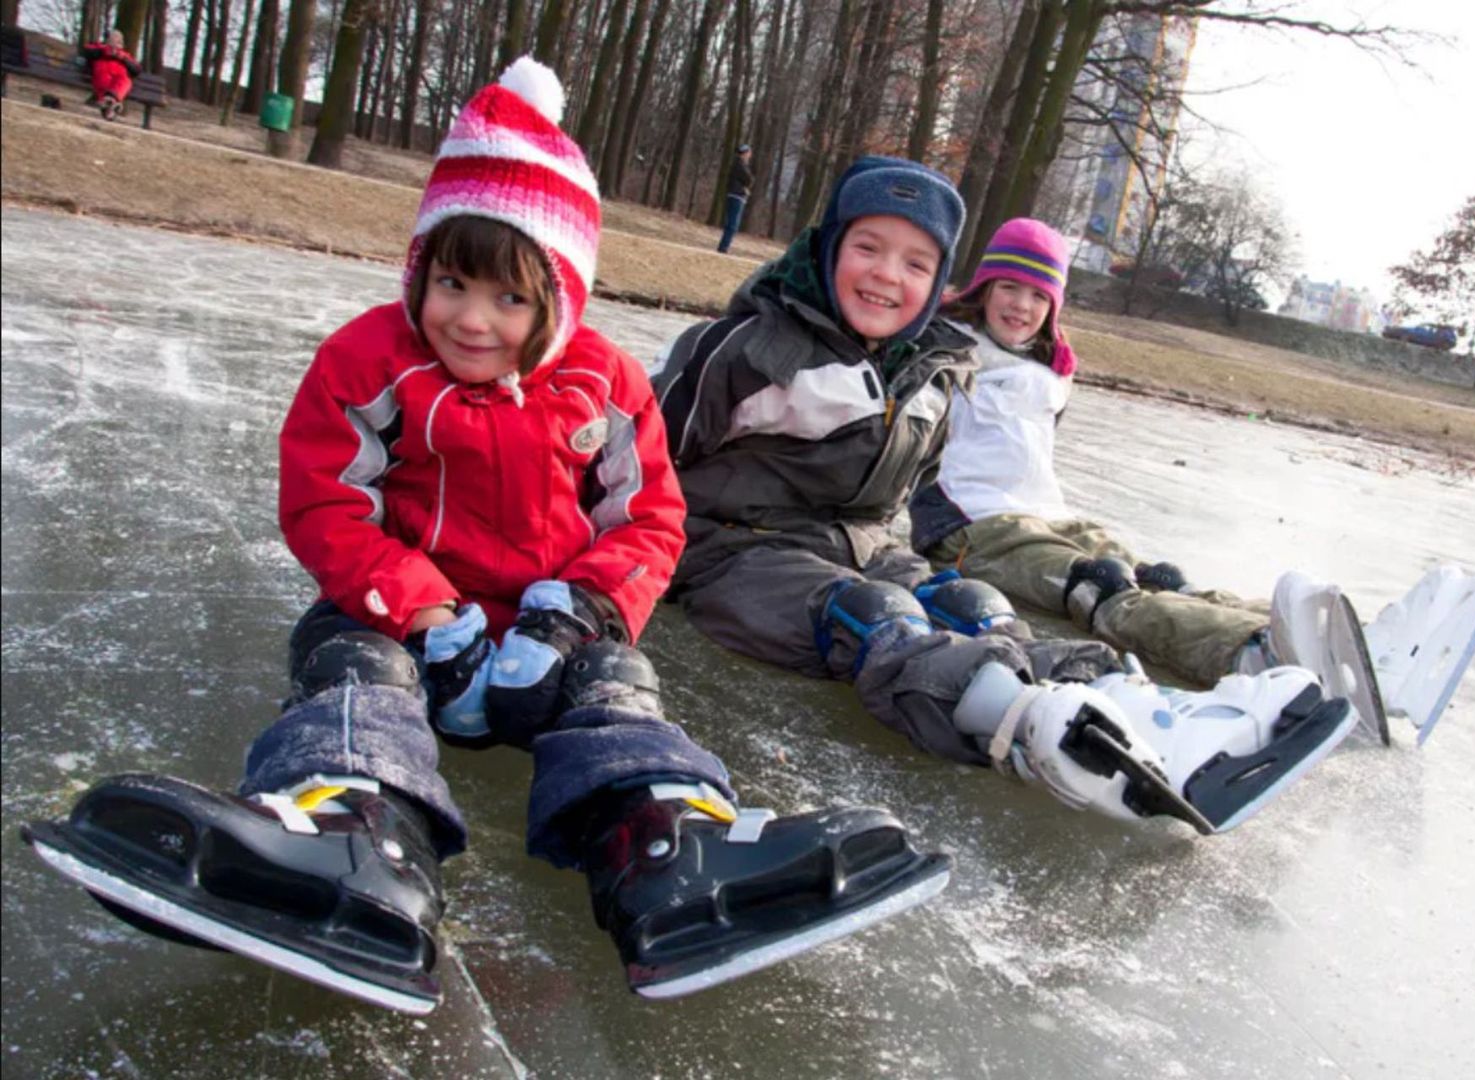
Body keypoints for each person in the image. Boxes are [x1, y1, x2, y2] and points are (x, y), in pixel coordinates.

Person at [23, 61, 950, 1015]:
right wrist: (421, 612)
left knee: (618, 690)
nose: (471, 319)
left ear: (561, 297)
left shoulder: (605, 383)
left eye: (510, 299)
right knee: (351, 665)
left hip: (551, 636)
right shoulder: (367, 360)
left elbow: (649, 519)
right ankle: (357, 828)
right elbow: (325, 502)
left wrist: (576, 617)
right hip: (405, 619)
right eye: (452, 282)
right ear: (420, 267)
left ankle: (659, 843)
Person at [652, 156, 1359, 840]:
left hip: (859, 543)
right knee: (876, 617)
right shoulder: (749, 351)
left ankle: (1133, 706)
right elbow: (644, 453)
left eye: (915, 263)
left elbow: (901, 493)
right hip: (733, 551)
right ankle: (1026, 726)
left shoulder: (930, 371)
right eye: (868, 247)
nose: (886, 275)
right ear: (828, 247)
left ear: (935, 284)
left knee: (973, 606)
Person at [908, 217, 1475, 748]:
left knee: (1163, 581)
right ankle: (1253, 652)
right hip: (972, 527)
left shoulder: (1048, 371)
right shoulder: (943, 352)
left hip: (1050, 514)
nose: (1021, 305)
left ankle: (1367, 650)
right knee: (1104, 592)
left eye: (1039, 294)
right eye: (1009, 287)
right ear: (984, 288)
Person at [81, 29, 141, 121]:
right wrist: (105, 51)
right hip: (103, 73)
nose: (116, 42)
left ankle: (110, 102)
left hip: (120, 77)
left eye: (119, 40)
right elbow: (86, 51)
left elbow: (137, 69)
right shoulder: (99, 47)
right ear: (108, 40)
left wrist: (123, 59)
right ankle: (111, 105)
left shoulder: (125, 55)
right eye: (114, 39)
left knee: (125, 81)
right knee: (104, 81)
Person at [716, 144, 753, 254]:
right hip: (737, 195)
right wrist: (745, 188)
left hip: (735, 194)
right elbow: (749, 179)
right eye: (748, 153)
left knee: (731, 223)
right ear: (745, 153)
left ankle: (724, 246)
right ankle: (724, 247)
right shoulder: (740, 165)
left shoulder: (737, 164)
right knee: (733, 224)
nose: (749, 155)